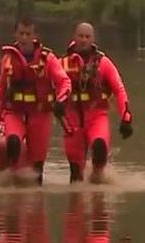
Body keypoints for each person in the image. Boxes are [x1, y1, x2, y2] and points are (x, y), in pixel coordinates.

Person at [0, 16, 71, 185]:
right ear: (15, 35)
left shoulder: (48, 59)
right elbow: (1, 91)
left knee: (38, 162)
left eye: (28, 34)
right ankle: (12, 182)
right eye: (21, 33)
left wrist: (62, 100)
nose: (24, 38)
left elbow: (65, 82)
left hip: (40, 114)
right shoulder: (8, 59)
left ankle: (35, 197)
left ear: (35, 35)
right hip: (15, 112)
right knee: (13, 142)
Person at [60, 22, 133, 183]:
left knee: (99, 146)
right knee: (75, 172)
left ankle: (98, 182)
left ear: (93, 39)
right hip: (72, 120)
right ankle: (76, 203)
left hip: (96, 115)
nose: (84, 40)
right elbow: (51, 88)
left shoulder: (103, 63)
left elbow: (119, 90)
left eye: (87, 37)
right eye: (81, 36)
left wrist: (125, 118)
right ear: (74, 37)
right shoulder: (62, 64)